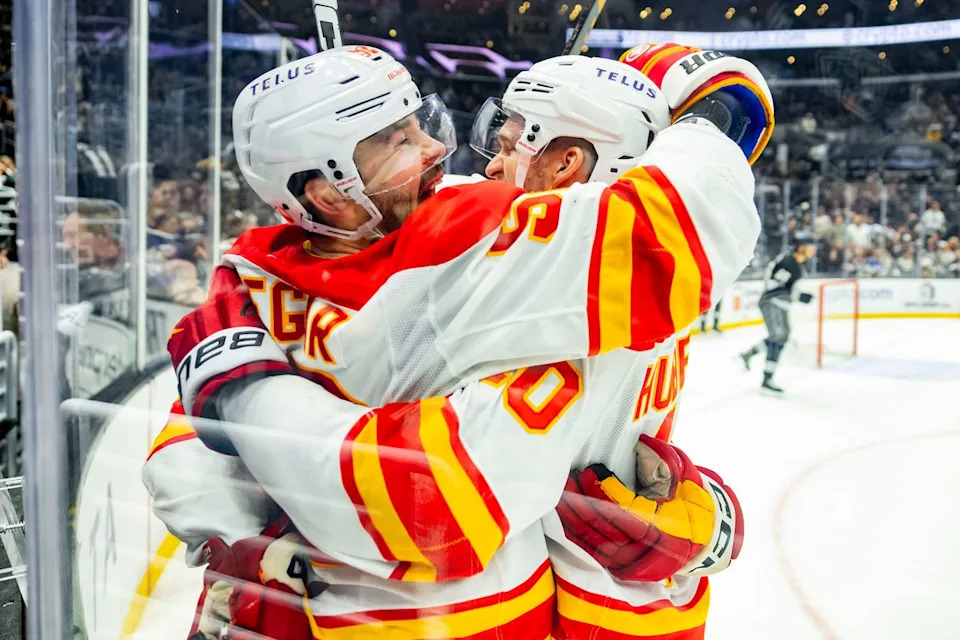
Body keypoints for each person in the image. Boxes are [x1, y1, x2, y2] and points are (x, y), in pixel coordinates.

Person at [145, 44, 770, 640]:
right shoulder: (488, 261)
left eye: (421, 126)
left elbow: (439, 500)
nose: (453, 157)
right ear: (329, 191)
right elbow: (433, 498)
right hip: (460, 617)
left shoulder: (511, 263)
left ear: (570, 162)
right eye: (400, 141)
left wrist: (241, 395)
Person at [739, 235, 817, 394]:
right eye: (809, 246)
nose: (812, 250)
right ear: (800, 247)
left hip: (780, 304)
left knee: (782, 336)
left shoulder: (796, 264)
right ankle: (766, 379)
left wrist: (797, 296)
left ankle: (749, 356)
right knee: (778, 335)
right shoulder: (788, 262)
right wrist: (799, 297)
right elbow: (774, 286)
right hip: (772, 302)